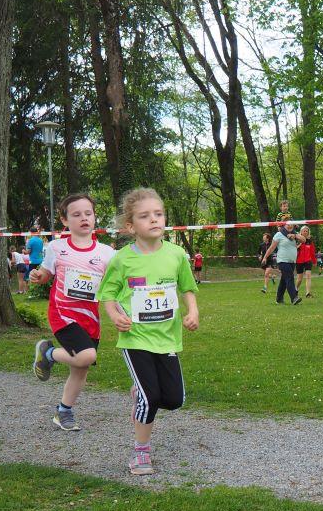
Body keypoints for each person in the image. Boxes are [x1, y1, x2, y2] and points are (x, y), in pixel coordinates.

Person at [99, 187, 200, 476]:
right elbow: (107, 294)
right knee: (151, 398)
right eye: (145, 216)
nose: (154, 219)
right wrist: (115, 316)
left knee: (175, 400)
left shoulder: (177, 254)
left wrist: (192, 312)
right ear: (131, 226)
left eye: (158, 214)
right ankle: (140, 453)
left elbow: (187, 288)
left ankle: (138, 393)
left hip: (167, 338)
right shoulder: (122, 259)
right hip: (136, 338)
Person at [30, 193, 116, 432]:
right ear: (65, 220)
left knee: (80, 368)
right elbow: (46, 274)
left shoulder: (107, 253)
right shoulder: (56, 247)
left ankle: (63, 411)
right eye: (76, 214)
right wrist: (38, 275)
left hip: (90, 319)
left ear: (94, 217)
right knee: (86, 356)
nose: (84, 218)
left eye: (88, 213)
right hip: (63, 314)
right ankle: (48, 354)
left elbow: (113, 286)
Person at [262, 220, 303, 305]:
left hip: (292, 261)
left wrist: (295, 235)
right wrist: (265, 257)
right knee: (290, 277)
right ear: (284, 225)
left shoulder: (295, 233)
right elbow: (271, 248)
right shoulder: (279, 234)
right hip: (282, 260)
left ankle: (279, 299)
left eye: (291, 225)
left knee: (284, 280)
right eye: (288, 225)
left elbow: (304, 240)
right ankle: (294, 298)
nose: (290, 226)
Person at [294, 225, 316, 298]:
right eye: (304, 231)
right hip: (299, 261)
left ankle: (308, 293)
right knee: (299, 279)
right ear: (301, 232)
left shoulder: (310, 241)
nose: (305, 232)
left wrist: (314, 261)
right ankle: (296, 290)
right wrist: (298, 245)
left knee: (308, 276)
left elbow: (312, 252)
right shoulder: (297, 240)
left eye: (307, 231)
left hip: (308, 261)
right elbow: (293, 250)